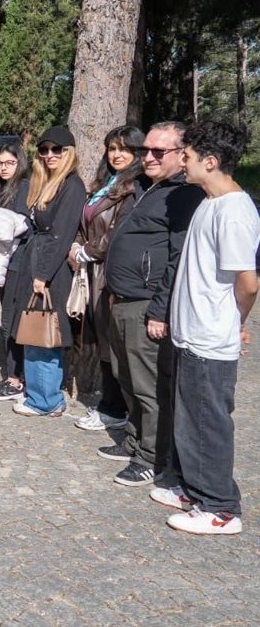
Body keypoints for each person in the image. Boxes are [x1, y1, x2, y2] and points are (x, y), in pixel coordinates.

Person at [152, 120, 259, 535]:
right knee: (189, 419)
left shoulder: (234, 212)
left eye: (189, 156)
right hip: (191, 332)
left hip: (210, 338)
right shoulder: (209, 203)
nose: (182, 161)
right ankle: (191, 489)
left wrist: (235, 322)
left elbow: (248, 282)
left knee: (208, 422)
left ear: (210, 162)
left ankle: (220, 508)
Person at [101, 121, 204, 487]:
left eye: (159, 151)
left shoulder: (184, 194)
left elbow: (177, 259)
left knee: (148, 386)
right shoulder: (147, 186)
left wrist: (160, 310)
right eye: (145, 150)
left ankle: (152, 457)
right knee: (126, 377)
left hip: (146, 306)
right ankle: (134, 440)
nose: (149, 157)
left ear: (181, 154)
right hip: (122, 298)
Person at [0, 127, 86, 417]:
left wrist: (43, 275)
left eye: (57, 149)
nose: (50, 155)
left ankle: (47, 400)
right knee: (32, 330)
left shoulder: (72, 185)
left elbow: (61, 234)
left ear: (69, 152)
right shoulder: (48, 182)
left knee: (45, 333)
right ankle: (37, 393)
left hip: (52, 268)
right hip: (36, 261)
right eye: (44, 150)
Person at [69, 126, 143, 431]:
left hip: (109, 273)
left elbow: (119, 231)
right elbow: (85, 223)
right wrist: (76, 246)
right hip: (90, 271)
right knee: (101, 339)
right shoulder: (104, 183)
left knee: (111, 343)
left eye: (124, 149)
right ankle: (110, 404)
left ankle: (115, 408)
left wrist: (88, 251)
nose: (117, 154)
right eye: (112, 148)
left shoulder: (135, 188)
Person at [0, 142, 33, 402]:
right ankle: (13, 375)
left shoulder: (24, 187)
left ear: (20, 163)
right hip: (2, 262)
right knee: (7, 319)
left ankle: (16, 379)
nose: (3, 168)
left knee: (12, 322)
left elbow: (22, 225)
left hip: (17, 263)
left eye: (9, 163)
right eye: (0, 163)